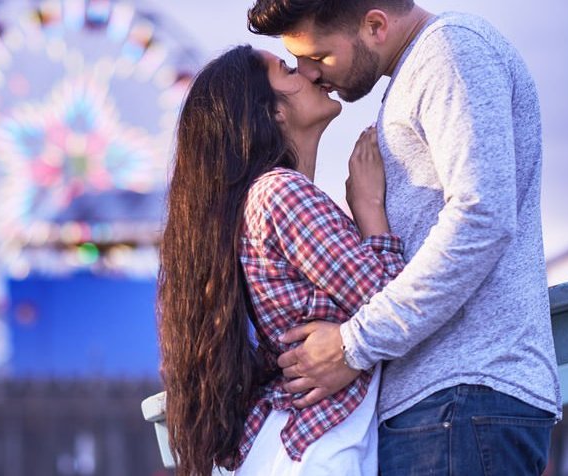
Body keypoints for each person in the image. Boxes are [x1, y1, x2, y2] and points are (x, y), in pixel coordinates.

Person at [247, 1, 562, 474]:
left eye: (319, 56)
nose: (310, 74)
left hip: (461, 394)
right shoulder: (419, 71)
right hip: (442, 403)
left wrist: (353, 344)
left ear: (374, 25)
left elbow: (482, 217)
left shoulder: (450, 52)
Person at [158, 44, 405, 476]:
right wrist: (370, 211)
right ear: (271, 112)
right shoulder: (282, 195)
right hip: (321, 448)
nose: (311, 73)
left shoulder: (253, 205)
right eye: (289, 69)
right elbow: (400, 303)